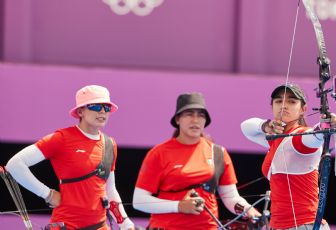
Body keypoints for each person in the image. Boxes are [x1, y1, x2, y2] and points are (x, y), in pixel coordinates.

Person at [5, 85, 135, 230]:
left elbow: (110, 190)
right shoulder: (61, 138)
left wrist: (125, 224)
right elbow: (14, 164)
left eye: (106, 107)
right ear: (81, 111)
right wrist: (47, 194)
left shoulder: (110, 144)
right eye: (96, 106)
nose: (103, 111)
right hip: (66, 225)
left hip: (100, 226)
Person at [132, 92, 261, 230]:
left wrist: (248, 209)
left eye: (201, 115)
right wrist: (179, 206)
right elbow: (139, 201)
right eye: (189, 114)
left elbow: (230, 197)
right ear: (177, 119)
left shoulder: (218, 153)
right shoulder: (158, 153)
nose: (195, 120)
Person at [240, 83, 336, 230]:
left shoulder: (299, 138)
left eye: (292, 101)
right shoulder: (276, 139)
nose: (284, 106)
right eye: (278, 101)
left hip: (304, 225)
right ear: (272, 106)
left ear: (303, 110)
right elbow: (246, 127)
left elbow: (313, 136)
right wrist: (266, 126)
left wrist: (323, 126)